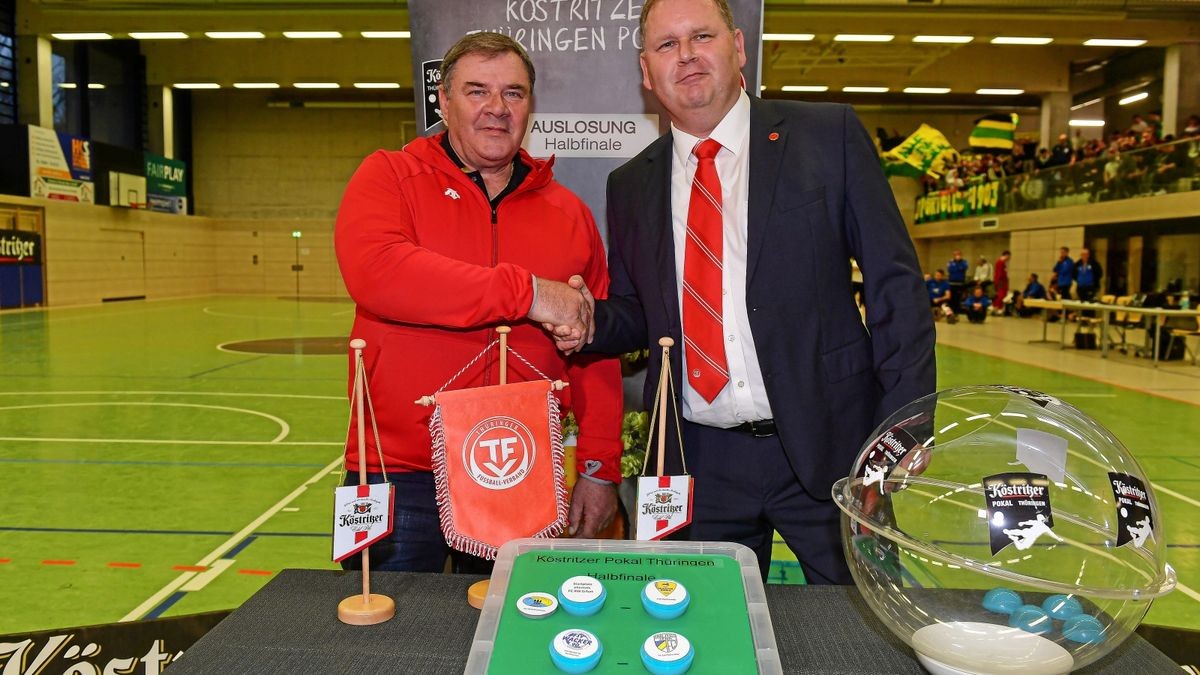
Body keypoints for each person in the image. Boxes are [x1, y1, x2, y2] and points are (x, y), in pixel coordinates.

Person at [556, 0, 935, 584]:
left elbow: (896, 285)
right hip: (700, 459)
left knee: (865, 625)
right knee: (700, 629)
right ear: (644, 70)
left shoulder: (826, 136)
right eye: (666, 45)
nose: (686, 56)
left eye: (701, 36)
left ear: (737, 46)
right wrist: (588, 321)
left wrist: (906, 423)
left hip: (831, 439)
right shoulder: (630, 183)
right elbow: (640, 315)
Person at [333, 32, 623, 573]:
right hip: (400, 469)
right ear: (442, 101)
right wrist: (532, 293)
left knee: (512, 642)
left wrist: (601, 466)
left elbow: (594, 345)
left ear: (529, 106)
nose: (496, 109)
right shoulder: (388, 177)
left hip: (520, 466)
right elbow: (379, 274)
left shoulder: (570, 213)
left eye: (513, 93)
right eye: (476, 91)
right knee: (387, 645)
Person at [992, 250, 1010, 315]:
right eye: (1009, 256)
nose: (1009, 258)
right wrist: (999, 282)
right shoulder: (1000, 262)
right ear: (1007, 255)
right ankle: (996, 309)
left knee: (1001, 295)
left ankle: (997, 309)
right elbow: (999, 274)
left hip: (1001, 281)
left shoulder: (1002, 262)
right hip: (1001, 282)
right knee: (1000, 295)